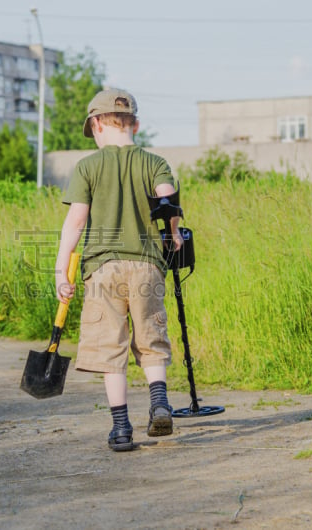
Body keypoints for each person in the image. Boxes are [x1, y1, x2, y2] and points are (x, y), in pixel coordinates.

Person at [54, 88, 182, 452]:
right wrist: (173, 235)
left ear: (96, 124)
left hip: (103, 269)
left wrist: (61, 271)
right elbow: (167, 198)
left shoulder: (88, 166)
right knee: (151, 339)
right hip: (146, 265)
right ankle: (159, 402)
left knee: (111, 347)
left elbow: (75, 222)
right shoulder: (154, 162)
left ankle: (122, 428)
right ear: (135, 125)